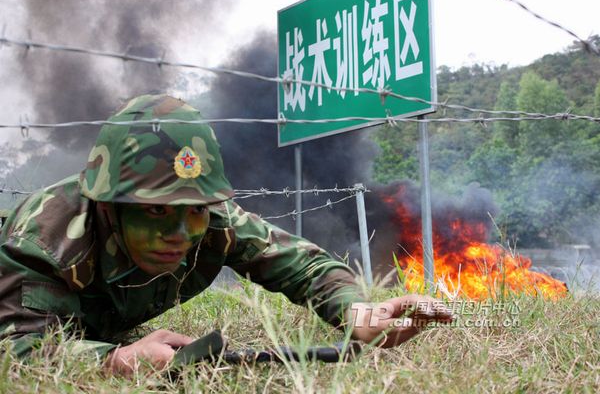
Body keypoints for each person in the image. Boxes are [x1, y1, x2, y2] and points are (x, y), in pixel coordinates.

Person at [0, 94, 452, 374]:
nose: (180, 232)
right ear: (108, 207)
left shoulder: (211, 222)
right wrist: (114, 361)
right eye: (155, 210)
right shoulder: (42, 241)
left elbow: (302, 266)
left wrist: (357, 312)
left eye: (194, 210)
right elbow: (22, 350)